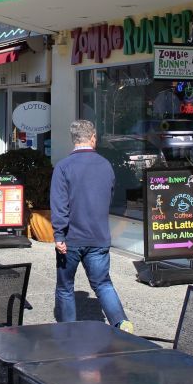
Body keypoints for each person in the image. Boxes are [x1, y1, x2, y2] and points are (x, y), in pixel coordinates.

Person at [50, 119, 133, 333]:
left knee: (65, 287)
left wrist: (59, 234)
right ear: (93, 138)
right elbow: (110, 196)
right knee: (103, 283)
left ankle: (69, 331)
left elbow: (59, 205)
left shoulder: (63, 167)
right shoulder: (105, 165)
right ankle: (121, 322)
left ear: (73, 140)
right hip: (98, 237)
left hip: (70, 239)